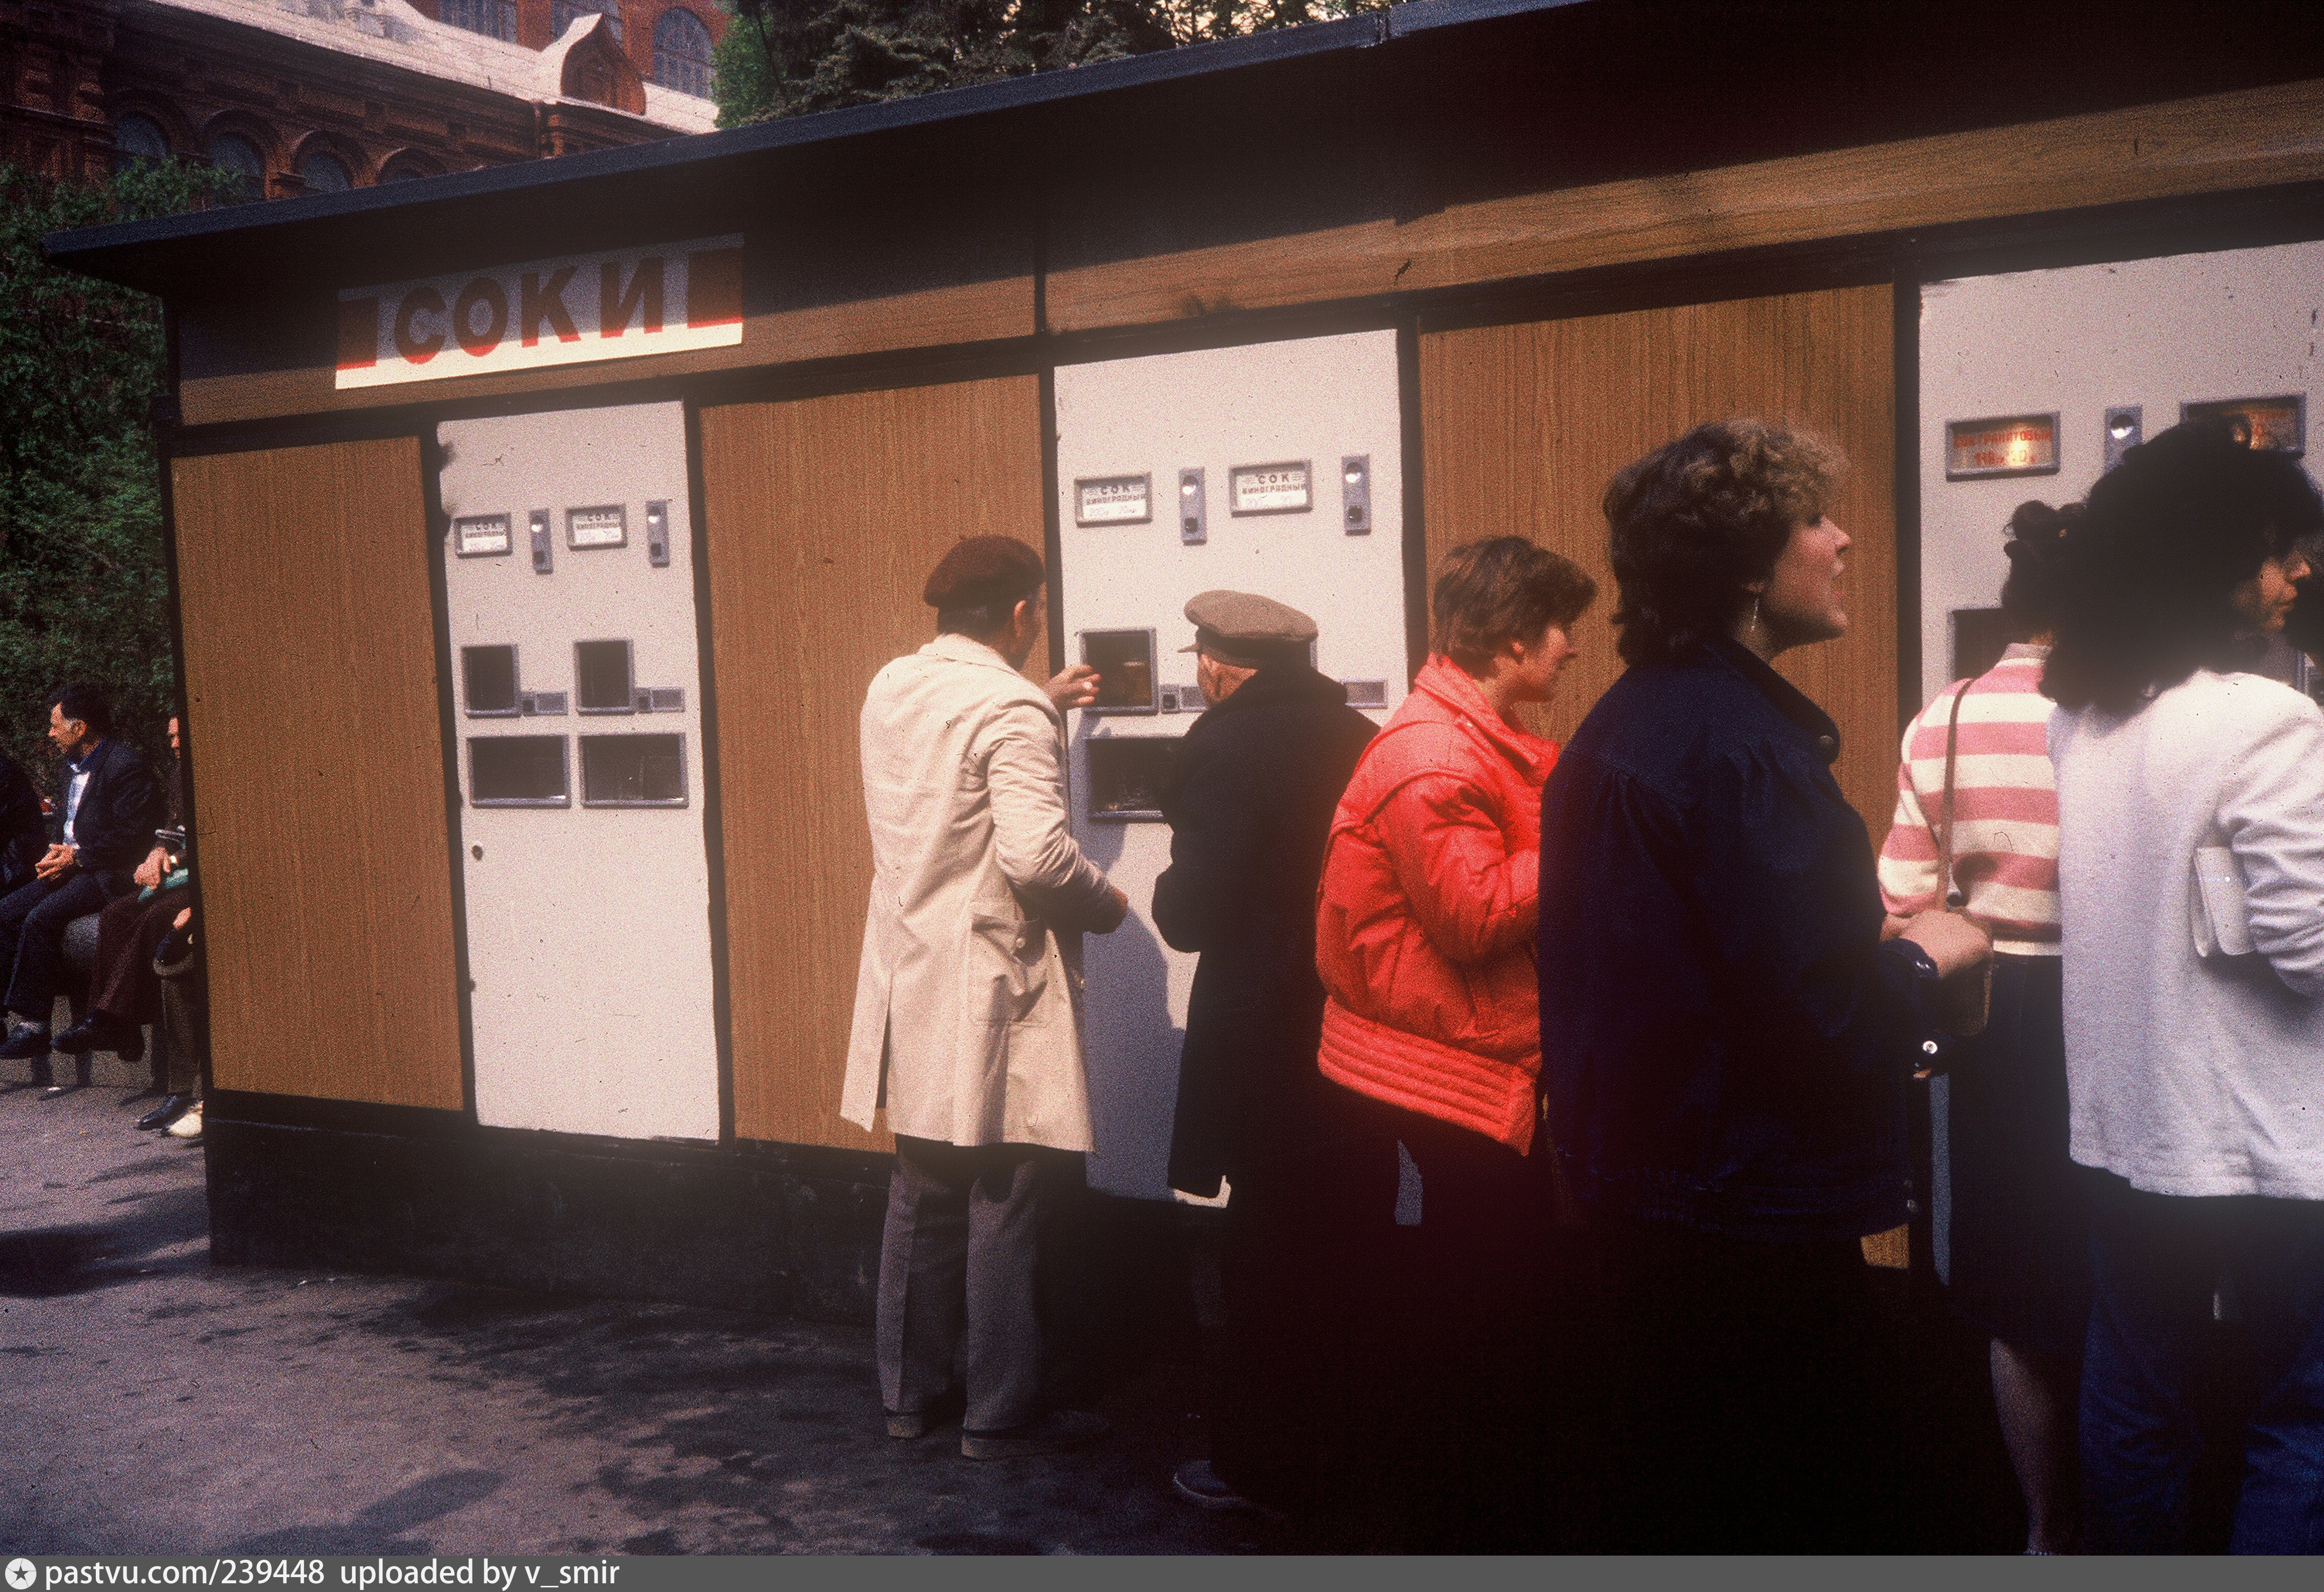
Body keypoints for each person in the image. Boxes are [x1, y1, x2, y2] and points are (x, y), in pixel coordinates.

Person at [1537, 419, 1988, 1553]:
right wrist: (1928, 954)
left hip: (1641, 1196)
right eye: (1810, 518)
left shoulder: (1619, 723)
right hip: (1746, 1217)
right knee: (1787, 1497)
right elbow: (1820, 1021)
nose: (1840, 540)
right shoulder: (1745, 750)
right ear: (1744, 566)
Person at [2042, 420, 2324, 1554]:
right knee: (2299, 1405)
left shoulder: (2085, 719)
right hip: (2267, 1143)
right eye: (2269, 549)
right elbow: (2308, 950)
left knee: (2133, 1390)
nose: (2296, 570)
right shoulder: (2267, 717)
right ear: (2199, 558)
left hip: (2128, 1131)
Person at [1312, 535, 1597, 1550]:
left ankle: (1467, 1499)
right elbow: (1472, 914)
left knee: (1485, 1285)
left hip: (1448, 1054)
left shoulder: (1476, 735)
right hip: (1447, 1070)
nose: (1572, 647)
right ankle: (1468, 1513)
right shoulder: (1433, 756)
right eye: (1559, 627)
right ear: (1510, 637)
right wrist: (1584, 833)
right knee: (1488, 1292)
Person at [838, 535, 1130, 1461]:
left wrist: (1037, 703)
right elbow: (1037, 858)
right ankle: (998, 1412)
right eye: (1035, 612)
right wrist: (1112, 903)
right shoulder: (1009, 708)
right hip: (992, 983)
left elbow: (945, 773)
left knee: (922, 1186)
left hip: (911, 969)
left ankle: (906, 1396)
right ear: (1019, 615)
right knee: (1006, 1188)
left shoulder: (891, 685)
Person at [1878, 501, 2088, 1553]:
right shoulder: (2110, 710)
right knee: (2115, 1272)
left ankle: (2040, 1527)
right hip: (2102, 1005)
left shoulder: (1943, 713)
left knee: (2010, 1284)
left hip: (1987, 1011)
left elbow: (1903, 889)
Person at [1150, 590, 1382, 1516]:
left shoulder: (1221, 743)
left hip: (1265, 1041)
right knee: (1345, 1244)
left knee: (1268, 1259)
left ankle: (1262, 1465)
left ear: (1214, 664)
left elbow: (1191, 912)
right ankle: (1352, 1450)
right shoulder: (1361, 733)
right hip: (1358, 1030)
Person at [0, 684, 167, 1082]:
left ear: (80, 728)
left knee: (42, 918)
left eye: (56, 726)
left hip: (110, 872)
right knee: (6, 913)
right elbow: (69, 826)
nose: (50, 734)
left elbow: (133, 837)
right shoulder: (71, 765)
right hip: (77, 865)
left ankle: (35, 1024)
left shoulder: (126, 765)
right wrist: (59, 853)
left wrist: (77, 857)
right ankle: (11, 1015)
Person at [55, 716, 193, 1120]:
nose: (172, 744)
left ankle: (109, 1017)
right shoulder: (179, 774)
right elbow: (172, 829)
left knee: (156, 921)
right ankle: (119, 1025)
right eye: (169, 736)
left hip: (200, 880)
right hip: (177, 872)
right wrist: (156, 855)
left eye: (178, 735)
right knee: (117, 914)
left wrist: (171, 858)